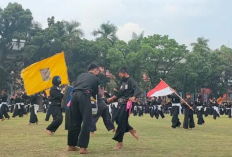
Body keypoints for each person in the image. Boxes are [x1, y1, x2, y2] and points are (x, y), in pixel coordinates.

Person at [67, 63, 100, 154]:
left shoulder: (80, 75)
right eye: (98, 71)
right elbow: (95, 92)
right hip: (84, 94)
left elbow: (75, 85)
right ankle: (83, 147)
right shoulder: (96, 78)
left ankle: (71, 145)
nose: (98, 73)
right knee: (87, 120)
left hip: (74, 95)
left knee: (74, 120)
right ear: (95, 70)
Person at [107, 67, 141, 150]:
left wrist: (134, 97)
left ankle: (119, 142)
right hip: (123, 103)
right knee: (118, 119)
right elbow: (119, 92)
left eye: (121, 75)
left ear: (125, 73)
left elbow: (138, 89)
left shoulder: (131, 81)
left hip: (128, 103)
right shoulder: (123, 82)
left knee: (121, 121)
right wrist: (112, 98)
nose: (120, 77)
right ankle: (131, 129)